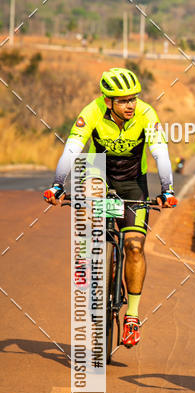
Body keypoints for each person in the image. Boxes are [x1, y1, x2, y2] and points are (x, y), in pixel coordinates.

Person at [43, 67, 177, 348]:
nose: (131, 105)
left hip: (133, 182)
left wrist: (167, 189)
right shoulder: (91, 112)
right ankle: (95, 267)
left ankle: (132, 316)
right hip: (97, 174)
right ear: (108, 101)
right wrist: (57, 184)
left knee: (134, 246)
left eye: (133, 98)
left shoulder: (145, 114)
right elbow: (72, 150)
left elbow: (160, 152)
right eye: (124, 100)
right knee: (91, 227)